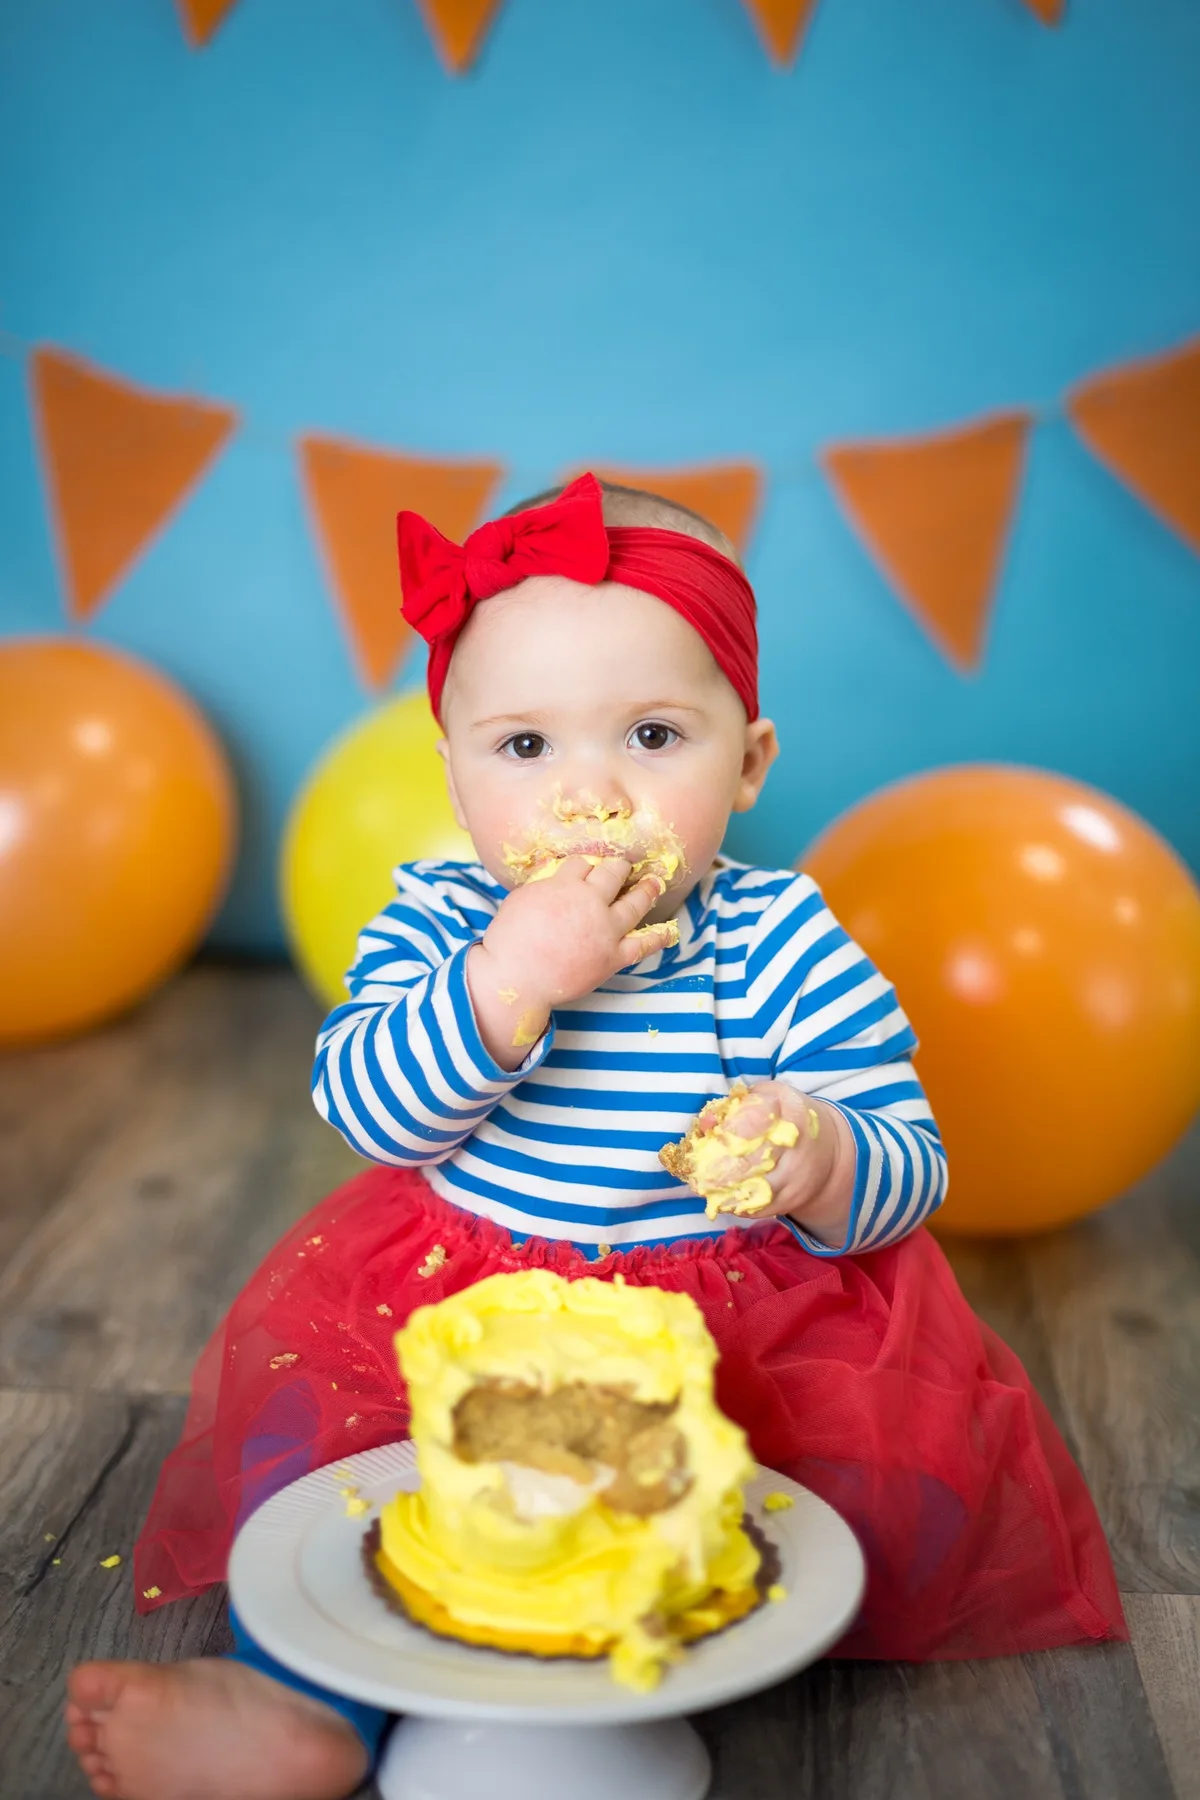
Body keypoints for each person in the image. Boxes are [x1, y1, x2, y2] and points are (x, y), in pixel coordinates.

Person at [66, 474, 1125, 1800]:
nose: (590, 789)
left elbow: (912, 1163)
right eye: (524, 749)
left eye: (653, 736)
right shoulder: (445, 923)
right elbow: (368, 1105)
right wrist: (506, 984)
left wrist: (820, 1152)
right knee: (334, 1482)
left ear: (746, 763)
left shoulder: (780, 943)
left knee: (796, 1515)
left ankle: (658, 1657)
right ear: (454, 780)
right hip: (462, 1300)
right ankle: (298, 1704)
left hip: (727, 1326)